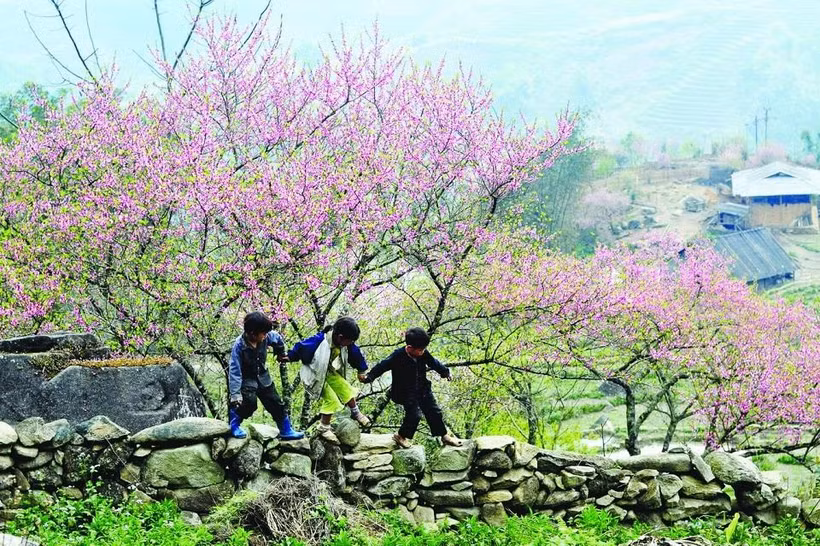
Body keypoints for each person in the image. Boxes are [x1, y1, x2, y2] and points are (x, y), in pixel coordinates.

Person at [360, 327, 462, 448]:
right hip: (405, 392)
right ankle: (400, 436)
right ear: (409, 348)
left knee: (434, 411)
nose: (423, 352)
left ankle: (444, 436)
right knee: (414, 414)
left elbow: (434, 363)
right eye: (420, 350)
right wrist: (369, 377)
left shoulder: (423, 354)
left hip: (423, 388)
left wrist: (445, 373)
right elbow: (382, 366)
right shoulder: (397, 356)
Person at [280, 316, 371, 443]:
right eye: (349, 341)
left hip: (328, 372)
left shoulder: (345, 343)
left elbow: (355, 354)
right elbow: (301, 347)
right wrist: (289, 357)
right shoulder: (319, 341)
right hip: (314, 375)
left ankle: (356, 413)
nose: (350, 344)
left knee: (345, 387)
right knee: (331, 399)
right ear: (340, 337)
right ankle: (324, 427)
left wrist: (361, 370)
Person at [228, 311, 304, 440]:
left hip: (263, 377)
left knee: (276, 403)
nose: (266, 336)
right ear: (252, 333)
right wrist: (235, 395)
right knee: (249, 404)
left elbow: (278, 339)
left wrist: (280, 353)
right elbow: (234, 371)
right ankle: (234, 425)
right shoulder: (239, 345)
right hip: (247, 379)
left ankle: (286, 430)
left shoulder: (268, 336)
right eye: (263, 333)